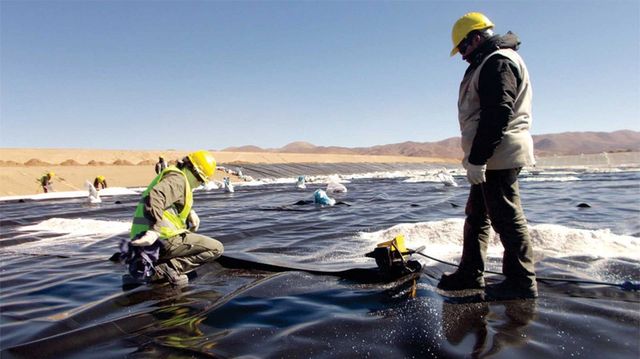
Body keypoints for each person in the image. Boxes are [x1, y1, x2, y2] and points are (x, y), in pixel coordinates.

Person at [437, 12, 537, 299]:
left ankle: (521, 282)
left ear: (477, 38)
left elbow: (498, 113)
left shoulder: (498, 62)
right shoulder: (487, 61)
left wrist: (479, 159)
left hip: (499, 155)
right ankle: (470, 273)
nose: (462, 56)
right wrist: (477, 158)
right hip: (489, 155)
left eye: (464, 48)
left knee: (506, 216)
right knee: (477, 215)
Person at [121, 150, 224, 287]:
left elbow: (168, 200)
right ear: (194, 171)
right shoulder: (178, 179)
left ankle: (153, 265)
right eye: (200, 180)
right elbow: (156, 196)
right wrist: (154, 230)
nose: (199, 184)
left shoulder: (175, 176)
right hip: (159, 239)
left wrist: (189, 212)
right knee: (216, 248)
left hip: (143, 240)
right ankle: (165, 269)